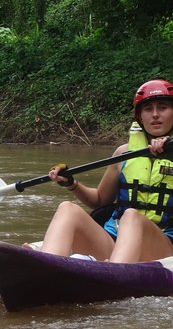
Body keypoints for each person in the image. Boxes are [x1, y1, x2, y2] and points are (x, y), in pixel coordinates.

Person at [34, 79, 173, 263]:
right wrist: (71, 184)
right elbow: (99, 200)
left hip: (163, 247)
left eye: (162, 107)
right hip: (115, 239)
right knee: (67, 209)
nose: (155, 114)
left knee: (132, 216)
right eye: (148, 109)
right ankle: (45, 267)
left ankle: (114, 277)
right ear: (139, 116)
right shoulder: (123, 154)